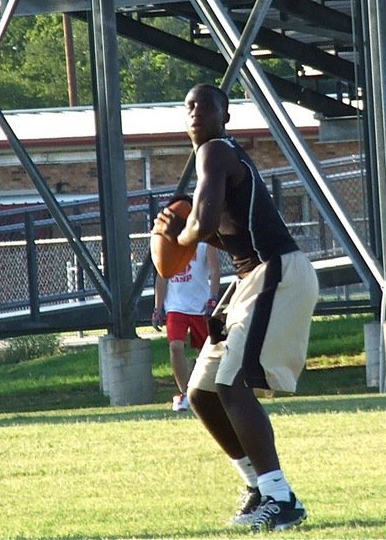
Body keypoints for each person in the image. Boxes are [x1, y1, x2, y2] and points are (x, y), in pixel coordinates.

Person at [153, 84, 318, 532]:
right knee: (202, 392)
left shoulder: (216, 152)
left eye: (206, 106)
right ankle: (258, 487)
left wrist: (181, 234)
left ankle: (282, 499)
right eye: (188, 106)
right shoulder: (217, 160)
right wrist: (188, 233)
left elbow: (203, 224)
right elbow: (223, 232)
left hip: (277, 271)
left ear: (225, 116)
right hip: (253, 277)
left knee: (232, 382)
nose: (195, 113)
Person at [153, 195, 220, 412]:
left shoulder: (203, 241)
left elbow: (214, 269)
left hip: (200, 304)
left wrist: (213, 297)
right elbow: (162, 276)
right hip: (176, 305)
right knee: (175, 346)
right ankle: (184, 393)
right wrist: (158, 307)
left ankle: (206, 392)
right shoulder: (166, 241)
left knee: (206, 352)